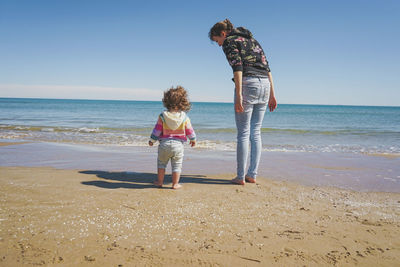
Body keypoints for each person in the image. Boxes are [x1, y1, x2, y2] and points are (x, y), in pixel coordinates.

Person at [209, 19, 277, 185]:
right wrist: (272, 95)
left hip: (248, 84)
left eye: (217, 40)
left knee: (243, 133)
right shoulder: (252, 40)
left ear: (223, 34)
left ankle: (240, 177)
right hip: (265, 86)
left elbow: (238, 68)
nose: (219, 45)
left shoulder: (230, 42)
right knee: (256, 132)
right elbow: (267, 68)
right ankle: (252, 174)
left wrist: (239, 95)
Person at [149, 86, 196, 189]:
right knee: (177, 165)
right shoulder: (184, 117)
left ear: (166, 101)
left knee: (161, 164)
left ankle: (160, 182)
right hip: (178, 146)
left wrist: (152, 140)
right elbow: (189, 130)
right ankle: (175, 184)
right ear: (182, 102)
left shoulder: (162, 116)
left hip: (164, 144)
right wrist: (193, 139)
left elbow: (157, 130)